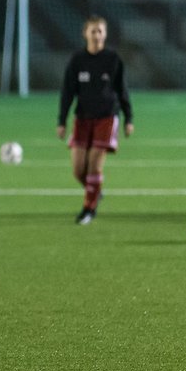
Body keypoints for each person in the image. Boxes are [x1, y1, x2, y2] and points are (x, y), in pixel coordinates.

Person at [57, 15, 134, 224]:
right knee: (78, 170)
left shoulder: (112, 60)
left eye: (100, 31)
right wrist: (62, 121)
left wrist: (129, 118)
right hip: (82, 119)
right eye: (93, 31)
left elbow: (122, 90)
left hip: (107, 118)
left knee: (93, 166)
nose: (97, 35)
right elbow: (67, 92)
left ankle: (88, 209)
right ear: (85, 34)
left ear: (105, 34)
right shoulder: (77, 60)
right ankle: (95, 190)